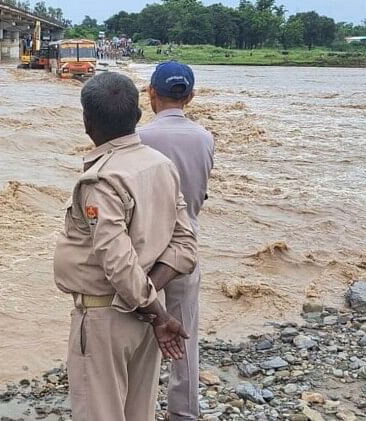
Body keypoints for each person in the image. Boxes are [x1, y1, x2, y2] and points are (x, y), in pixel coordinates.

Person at [53, 72, 198, 421]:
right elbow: (185, 245)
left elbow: (117, 263)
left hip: (107, 315)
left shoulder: (101, 180)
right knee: (139, 412)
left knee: (100, 412)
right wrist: (154, 304)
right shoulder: (160, 165)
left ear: (87, 122)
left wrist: (155, 312)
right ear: (136, 116)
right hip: (147, 314)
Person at [138, 60, 215, 421]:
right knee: (184, 329)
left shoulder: (141, 138)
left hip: (145, 248)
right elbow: (198, 194)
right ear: (191, 96)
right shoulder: (204, 137)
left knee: (142, 327)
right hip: (187, 245)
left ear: (151, 93)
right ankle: (184, 411)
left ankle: (136, 406)